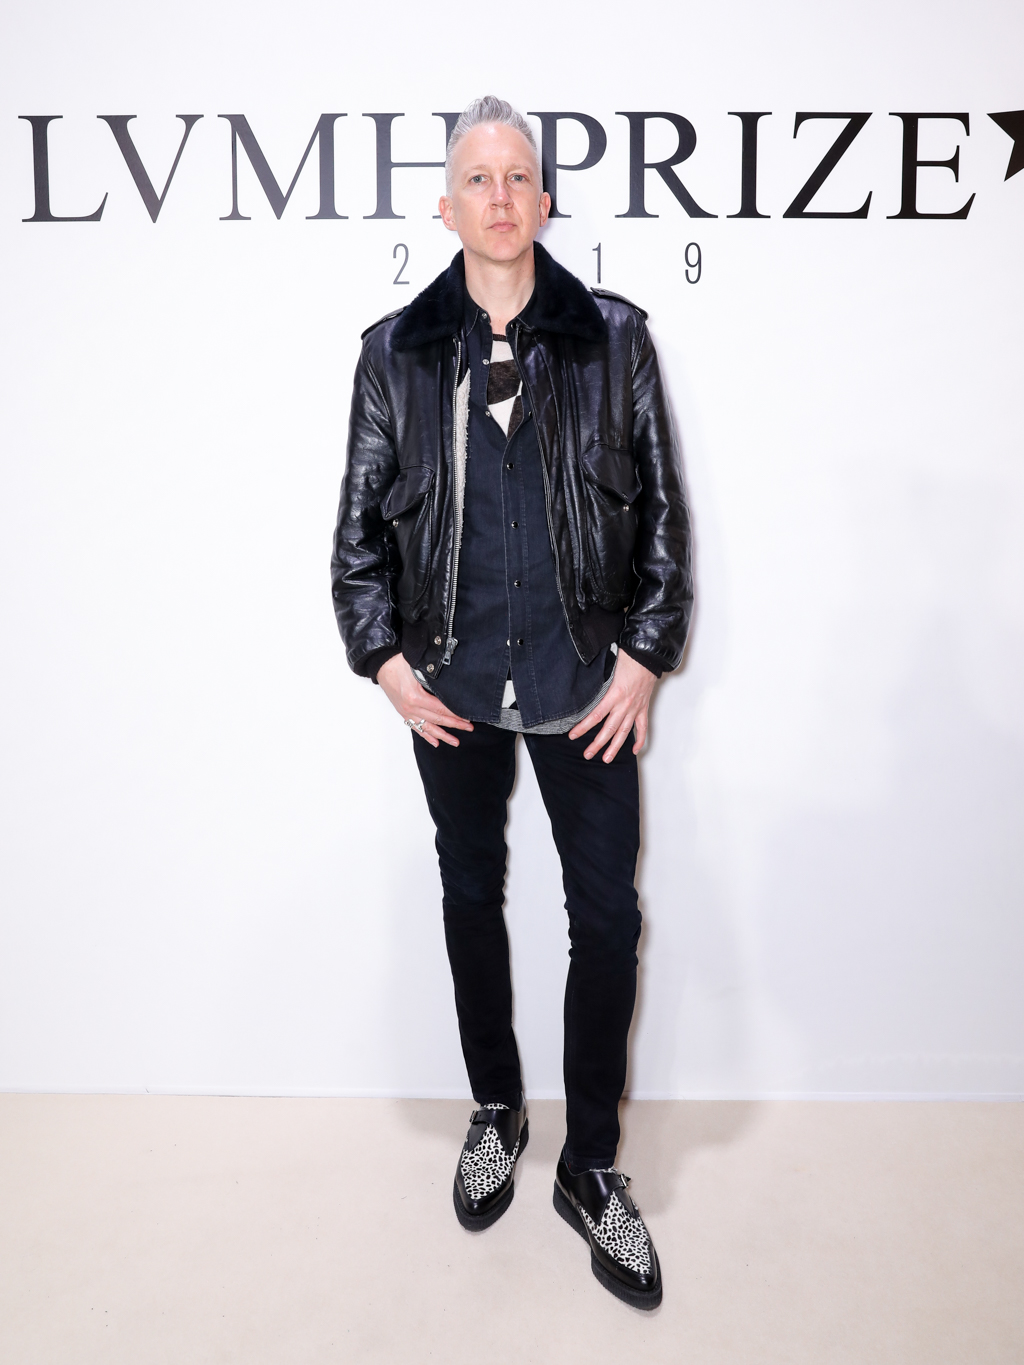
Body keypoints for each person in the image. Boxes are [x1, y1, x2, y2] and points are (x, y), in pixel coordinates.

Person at [331, 96, 692, 1310]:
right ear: (446, 207)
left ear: (543, 200)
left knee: (608, 920)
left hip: (586, 682)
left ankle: (590, 1167)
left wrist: (643, 658)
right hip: (451, 686)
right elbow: (354, 542)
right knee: (468, 895)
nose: (499, 195)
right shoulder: (393, 352)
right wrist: (389, 667)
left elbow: (665, 521)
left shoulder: (612, 339)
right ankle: (495, 1106)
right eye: (477, 178)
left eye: (517, 176)